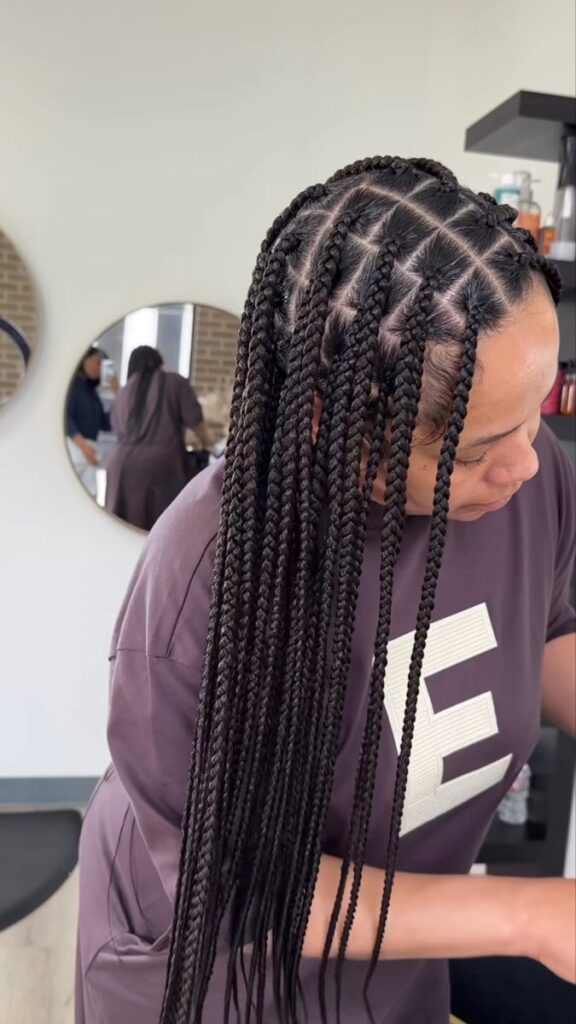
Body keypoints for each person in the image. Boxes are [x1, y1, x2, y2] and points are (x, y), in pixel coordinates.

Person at [75, 156, 576, 1024]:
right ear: (326, 418)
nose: (524, 463)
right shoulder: (210, 579)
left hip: (393, 951)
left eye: (535, 411)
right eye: (472, 448)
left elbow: (548, 633)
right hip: (215, 980)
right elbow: (236, 890)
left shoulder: (527, 476)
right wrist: (531, 917)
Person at [104, 346, 211, 531]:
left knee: (121, 531)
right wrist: (210, 442)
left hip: (120, 468)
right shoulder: (175, 382)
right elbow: (196, 423)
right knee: (160, 531)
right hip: (161, 468)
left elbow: (118, 429)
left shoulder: (124, 391)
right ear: (159, 362)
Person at [66, 346, 116, 497]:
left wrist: (118, 396)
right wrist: (84, 447)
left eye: (102, 365)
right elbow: (66, 420)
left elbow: (105, 424)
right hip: (75, 447)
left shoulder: (92, 393)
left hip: (90, 450)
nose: (98, 368)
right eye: (97, 362)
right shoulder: (73, 386)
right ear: (85, 360)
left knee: (90, 494)